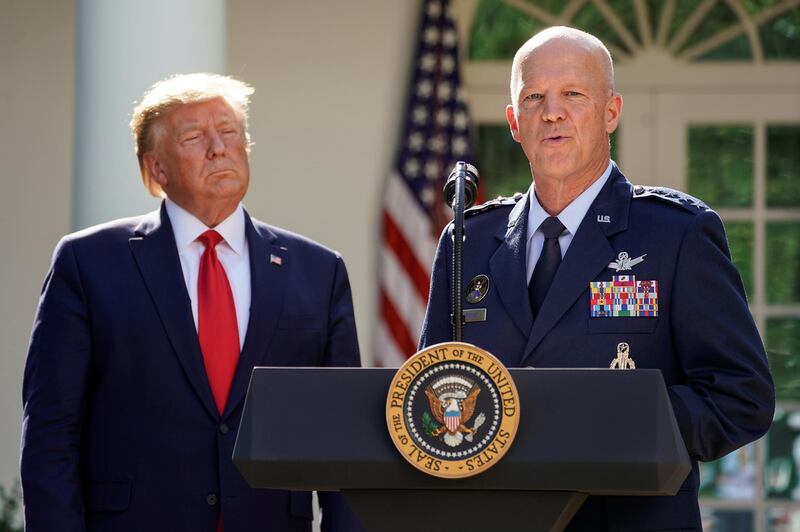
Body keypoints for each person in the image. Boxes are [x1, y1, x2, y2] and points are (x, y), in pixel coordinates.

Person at [419, 27, 774, 530]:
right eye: (534, 96)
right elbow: (431, 390)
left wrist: (620, 421)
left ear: (611, 112)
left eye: (573, 94)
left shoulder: (676, 234)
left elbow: (742, 396)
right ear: (513, 122)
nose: (552, 112)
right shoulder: (468, 243)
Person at [21, 73, 363, 532]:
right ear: (157, 169)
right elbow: (50, 433)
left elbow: (341, 437)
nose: (218, 148)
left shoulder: (318, 271)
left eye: (229, 132)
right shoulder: (88, 264)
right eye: (194, 137)